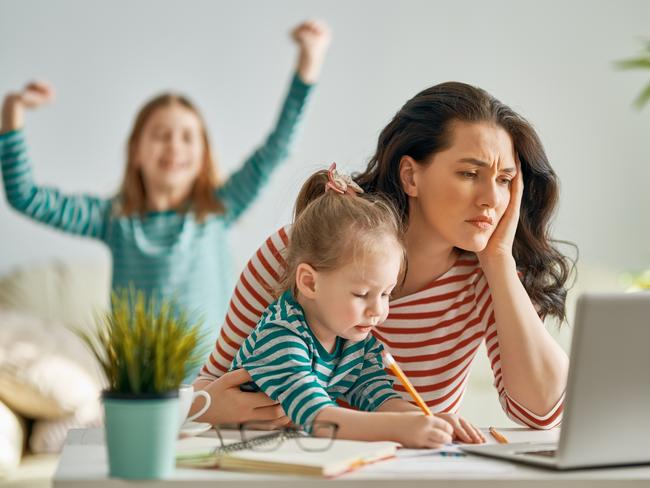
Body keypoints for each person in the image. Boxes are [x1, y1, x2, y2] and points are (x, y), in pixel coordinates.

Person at [193, 80, 573, 433]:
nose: (491, 198)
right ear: (411, 176)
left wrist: (500, 261)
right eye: (470, 173)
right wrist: (210, 408)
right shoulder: (297, 252)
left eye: (504, 180)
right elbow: (208, 385)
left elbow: (541, 413)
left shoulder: (485, 276)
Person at [0, 21, 331, 380]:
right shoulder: (114, 219)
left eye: (188, 137)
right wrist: (12, 112)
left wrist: (307, 65)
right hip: (142, 385)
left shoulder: (218, 209)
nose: (174, 145)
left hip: (217, 380)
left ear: (203, 155)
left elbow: (276, 148)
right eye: (161, 135)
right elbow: (25, 196)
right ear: (136, 152)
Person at [228, 163, 482, 447]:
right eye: (362, 294)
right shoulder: (280, 338)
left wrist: (429, 419)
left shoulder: (352, 340)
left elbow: (380, 398)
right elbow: (318, 418)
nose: (378, 311)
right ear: (310, 283)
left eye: (386, 294)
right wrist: (400, 428)